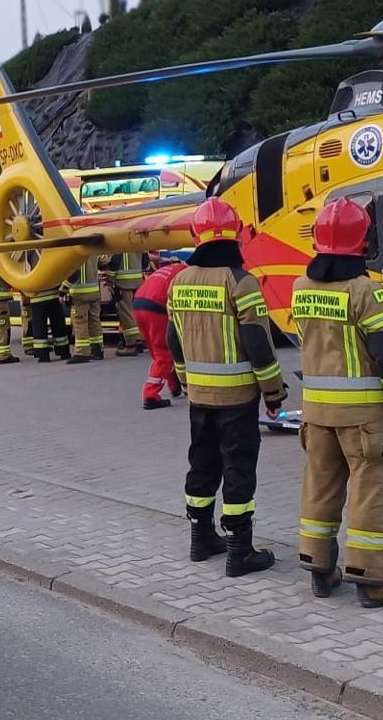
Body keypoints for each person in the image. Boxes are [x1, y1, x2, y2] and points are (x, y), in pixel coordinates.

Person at [292, 200, 383, 607]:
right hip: (364, 419)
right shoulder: (365, 291)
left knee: (320, 486)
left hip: (316, 414)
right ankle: (373, 582)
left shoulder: (300, 287)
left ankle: (320, 568)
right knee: (371, 491)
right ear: (364, 241)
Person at [168, 198, 285, 577]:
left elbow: (173, 340)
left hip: (199, 397)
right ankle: (240, 550)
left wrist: (185, 380)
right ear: (236, 235)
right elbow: (258, 343)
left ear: (196, 236)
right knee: (238, 467)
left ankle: (201, 538)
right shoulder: (240, 282)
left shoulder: (179, 281)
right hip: (238, 398)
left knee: (202, 463)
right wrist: (274, 392)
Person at [135, 255, 187, 409]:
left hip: (139, 303)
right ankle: (150, 395)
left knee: (156, 351)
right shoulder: (188, 275)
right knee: (164, 352)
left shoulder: (170, 270)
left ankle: (174, 385)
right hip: (157, 307)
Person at [103, 252, 148, 356]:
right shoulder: (138, 242)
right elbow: (145, 261)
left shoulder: (120, 243)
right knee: (137, 312)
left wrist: (109, 281)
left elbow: (115, 262)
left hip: (123, 283)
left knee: (126, 314)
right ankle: (141, 339)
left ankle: (132, 344)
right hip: (138, 281)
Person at [64, 258, 102, 364]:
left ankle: (82, 353)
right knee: (94, 321)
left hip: (80, 294)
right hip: (94, 291)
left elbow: (74, 273)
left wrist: (63, 289)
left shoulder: (75, 251)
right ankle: (98, 350)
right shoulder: (93, 250)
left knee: (80, 322)